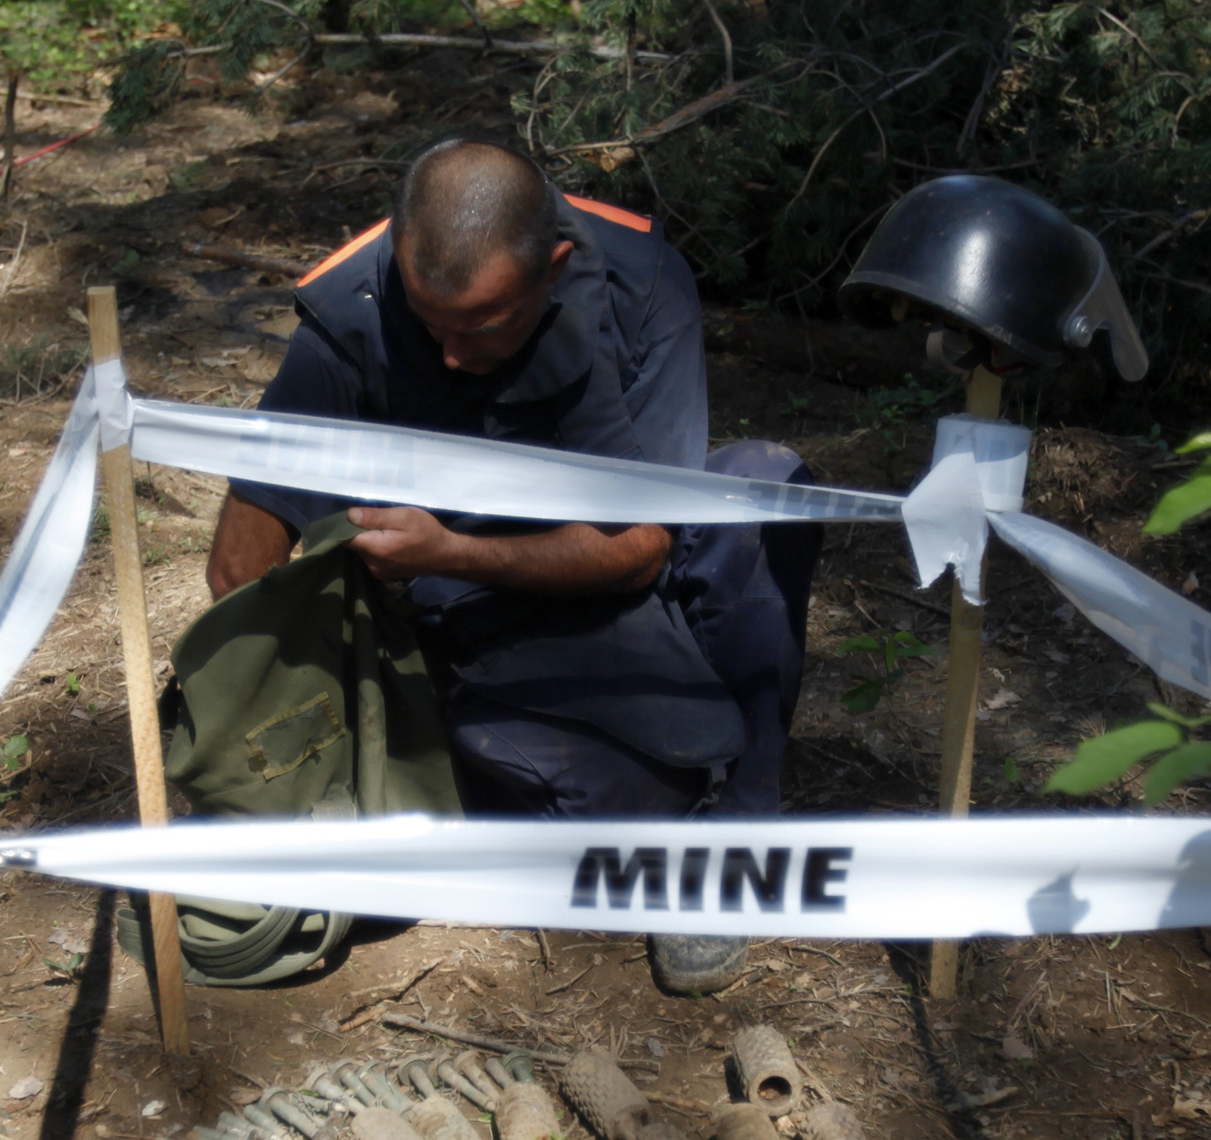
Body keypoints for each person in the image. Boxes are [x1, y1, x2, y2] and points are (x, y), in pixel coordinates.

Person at [201, 138, 820, 996]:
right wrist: (292, 714)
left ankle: (737, 838)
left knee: (764, 487)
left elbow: (644, 546)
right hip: (464, 620)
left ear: (555, 267)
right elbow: (240, 562)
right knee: (633, 798)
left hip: (604, 564)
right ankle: (484, 764)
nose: (451, 356)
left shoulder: (641, 281)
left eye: (483, 326)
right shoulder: (358, 303)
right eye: (431, 325)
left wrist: (450, 546)